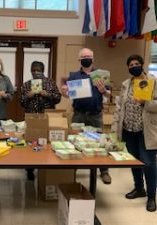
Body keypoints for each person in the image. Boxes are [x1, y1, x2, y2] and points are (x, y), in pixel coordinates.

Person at [60, 48, 112, 184]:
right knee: (74, 142)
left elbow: (109, 95)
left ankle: (104, 171)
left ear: (93, 59)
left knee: (100, 144)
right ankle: (73, 170)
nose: (86, 58)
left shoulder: (101, 75)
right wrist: (64, 92)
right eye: (83, 56)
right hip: (78, 115)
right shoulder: (74, 76)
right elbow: (68, 95)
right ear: (79, 59)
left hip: (96, 115)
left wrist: (103, 91)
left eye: (89, 56)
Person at [112, 54, 157, 212]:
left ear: (142, 64)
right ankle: (139, 188)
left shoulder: (153, 81)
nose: (133, 66)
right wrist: (115, 127)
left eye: (136, 63)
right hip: (129, 129)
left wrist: (146, 102)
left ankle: (151, 196)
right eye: (130, 65)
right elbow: (119, 107)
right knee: (134, 161)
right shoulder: (127, 84)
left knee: (149, 164)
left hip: (146, 130)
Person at [20, 61, 62, 180]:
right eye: (33, 70)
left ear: (43, 70)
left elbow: (58, 98)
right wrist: (27, 96)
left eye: (38, 70)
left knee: (46, 143)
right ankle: (30, 169)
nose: (35, 72)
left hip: (46, 118)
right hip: (32, 118)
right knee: (31, 143)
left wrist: (47, 94)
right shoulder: (26, 84)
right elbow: (21, 102)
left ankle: (46, 166)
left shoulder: (50, 83)